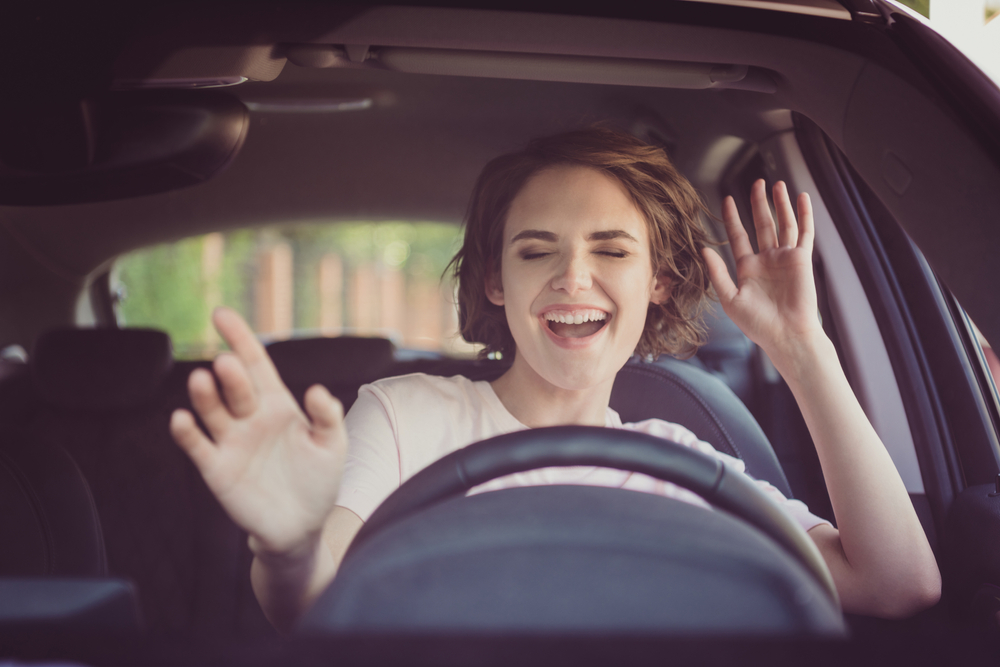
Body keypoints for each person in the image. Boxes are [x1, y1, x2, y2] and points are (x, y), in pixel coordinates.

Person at [169, 127, 941, 633]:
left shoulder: (683, 460)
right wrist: (293, 544)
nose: (573, 277)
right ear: (496, 281)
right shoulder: (407, 416)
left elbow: (896, 583)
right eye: (536, 251)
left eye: (611, 250)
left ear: (660, 281)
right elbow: (310, 599)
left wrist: (803, 348)